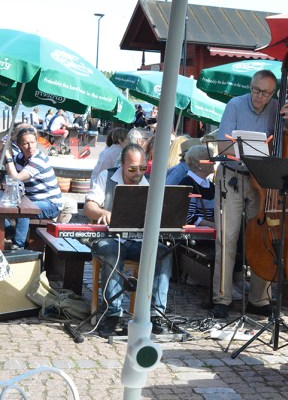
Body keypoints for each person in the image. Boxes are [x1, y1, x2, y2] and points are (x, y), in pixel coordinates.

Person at [210, 69, 288, 319]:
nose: (259, 96)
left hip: (263, 183)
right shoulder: (235, 105)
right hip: (233, 176)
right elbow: (223, 146)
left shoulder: (277, 109)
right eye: (256, 90)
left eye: (265, 93)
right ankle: (222, 298)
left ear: (273, 93)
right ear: (250, 86)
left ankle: (259, 299)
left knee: (262, 238)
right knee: (226, 239)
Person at [83, 144, 173, 337]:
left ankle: (156, 315)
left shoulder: (150, 182)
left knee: (163, 253)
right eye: (132, 169)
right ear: (122, 164)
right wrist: (103, 212)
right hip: (111, 239)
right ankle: (112, 314)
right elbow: (88, 207)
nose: (138, 173)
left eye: (142, 168)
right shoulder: (106, 176)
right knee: (111, 252)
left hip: (139, 241)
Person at [3, 125, 63, 249]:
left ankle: (18, 247)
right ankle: (9, 232)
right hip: (30, 200)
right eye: (26, 143)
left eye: (33, 142)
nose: (30, 147)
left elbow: (16, 178)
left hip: (51, 204)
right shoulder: (19, 158)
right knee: (3, 202)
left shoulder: (39, 159)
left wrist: (8, 155)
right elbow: (9, 169)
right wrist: (3, 149)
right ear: (19, 145)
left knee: (25, 211)